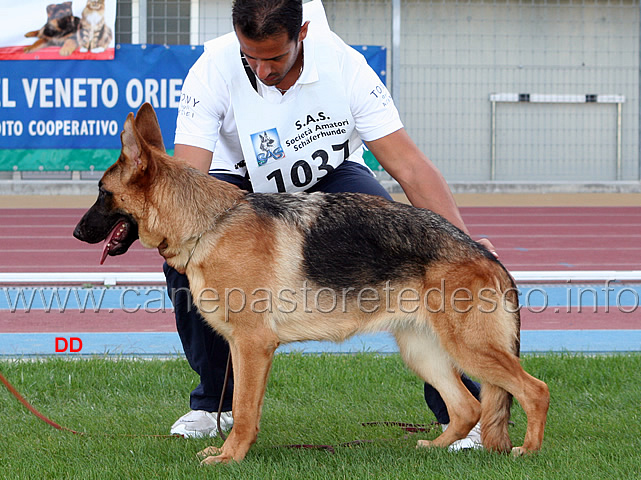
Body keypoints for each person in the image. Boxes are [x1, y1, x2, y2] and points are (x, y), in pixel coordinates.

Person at [165, 0, 495, 451]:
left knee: (406, 253)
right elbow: (188, 182)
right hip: (235, 184)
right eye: (250, 57)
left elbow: (411, 168)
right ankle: (214, 402)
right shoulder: (211, 69)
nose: (261, 70)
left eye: (274, 58)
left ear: (301, 34)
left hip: (330, 175)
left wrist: (465, 247)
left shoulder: (345, 65)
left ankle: (460, 413)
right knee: (189, 262)